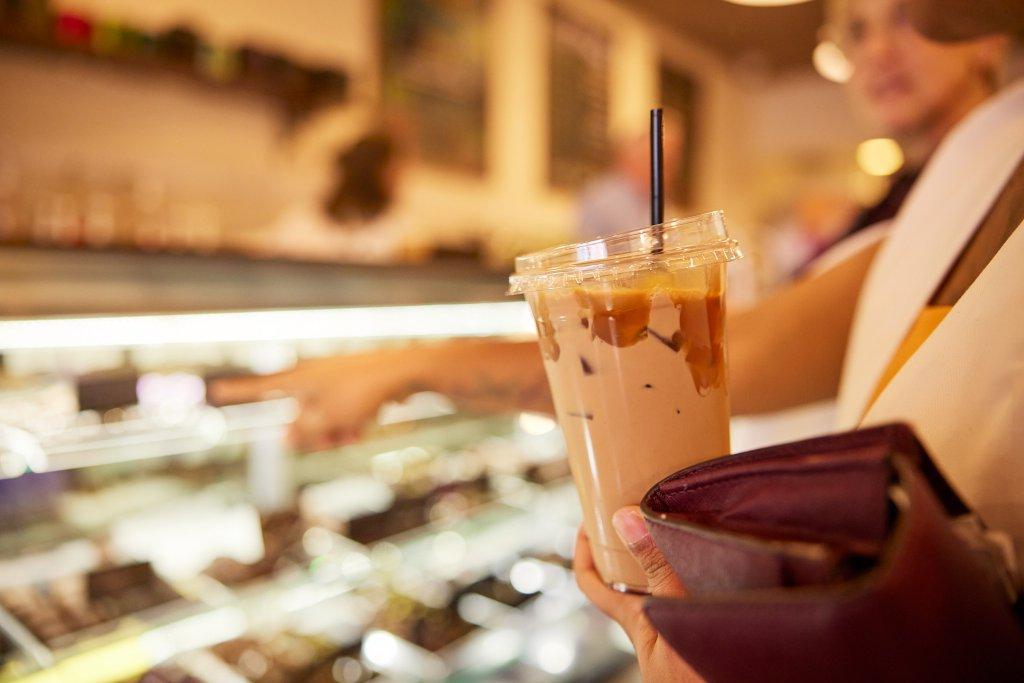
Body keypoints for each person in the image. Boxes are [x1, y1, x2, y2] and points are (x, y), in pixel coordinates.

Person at [213, 0, 1022, 678]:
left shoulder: (990, 170)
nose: (879, 46)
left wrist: (419, 366)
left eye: (906, 15)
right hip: (826, 603)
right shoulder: (953, 185)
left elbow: (756, 351)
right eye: (855, 26)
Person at [253, 132, 423, 264]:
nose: (399, 181)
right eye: (393, 172)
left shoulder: (402, 231)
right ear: (368, 173)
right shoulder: (304, 221)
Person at [576, 110, 685, 240]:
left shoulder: (664, 204)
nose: (669, 164)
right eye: (663, 154)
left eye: (673, 156)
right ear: (630, 152)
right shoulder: (601, 199)